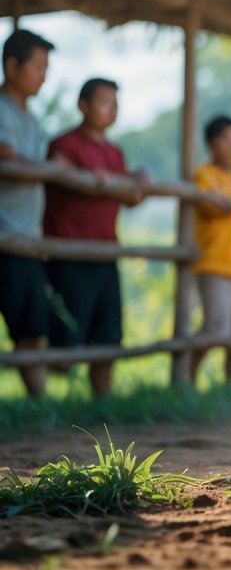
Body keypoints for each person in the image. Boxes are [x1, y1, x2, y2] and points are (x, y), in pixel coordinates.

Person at [43, 78, 150, 397]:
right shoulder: (64, 145)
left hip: (106, 253)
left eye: (115, 103)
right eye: (104, 101)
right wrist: (91, 179)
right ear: (83, 106)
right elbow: (56, 172)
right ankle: (48, 402)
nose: (112, 109)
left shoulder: (114, 152)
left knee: (108, 332)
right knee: (67, 335)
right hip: (70, 253)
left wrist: (136, 180)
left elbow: (131, 198)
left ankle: (101, 403)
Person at [0, 29, 55, 397]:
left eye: (45, 67)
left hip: (24, 237)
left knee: (30, 328)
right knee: (27, 327)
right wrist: (54, 169)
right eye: (37, 66)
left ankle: (39, 405)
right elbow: (9, 161)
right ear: (11, 66)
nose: (43, 75)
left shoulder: (31, 120)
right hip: (5, 233)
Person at [189, 115, 231, 384]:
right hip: (215, 265)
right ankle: (188, 378)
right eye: (225, 139)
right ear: (211, 144)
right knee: (215, 329)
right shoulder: (204, 174)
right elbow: (214, 206)